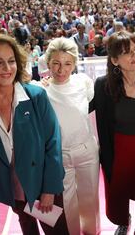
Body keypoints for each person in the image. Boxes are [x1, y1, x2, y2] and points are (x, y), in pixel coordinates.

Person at [0, 33, 68, 235]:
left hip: (42, 183)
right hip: (12, 187)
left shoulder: (36, 96)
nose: (7, 68)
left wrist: (49, 189)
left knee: (57, 231)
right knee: (27, 227)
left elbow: (52, 143)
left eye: (11, 61)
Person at [90, 30, 135, 235]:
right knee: (119, 192)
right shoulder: (103, 86)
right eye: (127, 52)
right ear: (114, 60)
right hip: (119, 150)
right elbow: (93, 118)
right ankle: (123, 221)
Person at [37, 37, 100, 235]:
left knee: (90, 197)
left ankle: (92, 231)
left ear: (74, 64)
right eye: (55, 63)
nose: (61, 69)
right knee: (68, 201)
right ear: (48, 64)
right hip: (60, 155)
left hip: (87, 150)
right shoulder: (41, 90)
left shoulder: (84, 82)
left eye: (67, 64)